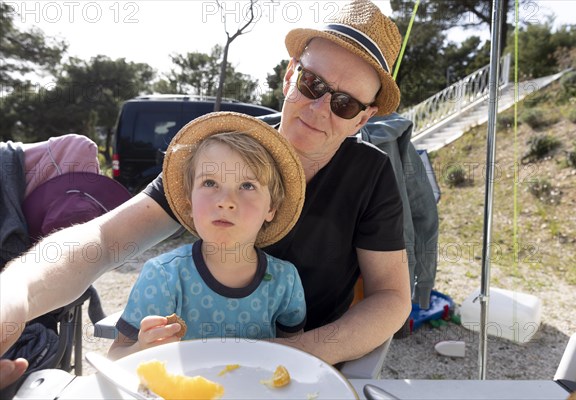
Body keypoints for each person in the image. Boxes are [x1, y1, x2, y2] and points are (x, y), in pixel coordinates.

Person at [0, 0, 412, 387]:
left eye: (343, 103)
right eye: (312, 82)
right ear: (290, 74)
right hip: (194, 370)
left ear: (364, 117)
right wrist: (15, 295)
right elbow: (105, 240)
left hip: (300, 378)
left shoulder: (370, 174)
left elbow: (392, 296)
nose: (320, 108)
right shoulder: (226, 148)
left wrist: (295, 352)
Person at [108, 112, 307, 359]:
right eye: (210, 183)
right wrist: (140, 349)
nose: (225, 202)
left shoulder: (284, 281)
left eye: (247, 186)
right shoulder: (163, 278)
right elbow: (115, 357)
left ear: (271, 208)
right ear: (189, 202)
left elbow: (297, 357)